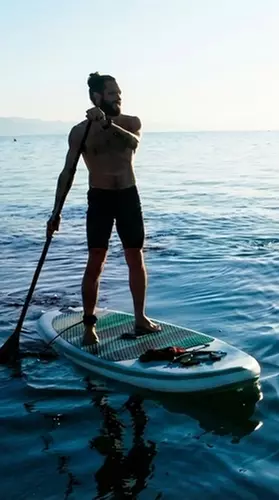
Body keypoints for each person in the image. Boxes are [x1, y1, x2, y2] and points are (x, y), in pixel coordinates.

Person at [46, 72, 160, 345]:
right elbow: (68, 172)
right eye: (112, 93)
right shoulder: (79, 132)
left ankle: (140, 319)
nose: (118, 97)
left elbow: (133, 143)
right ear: (97, 97)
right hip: (100, 198)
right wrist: (55, 211)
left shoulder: (131, 122)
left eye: (119, 92)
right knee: (96, 260)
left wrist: (108, 124)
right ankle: (89, 326)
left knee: (135, 256)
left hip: (128, 196)